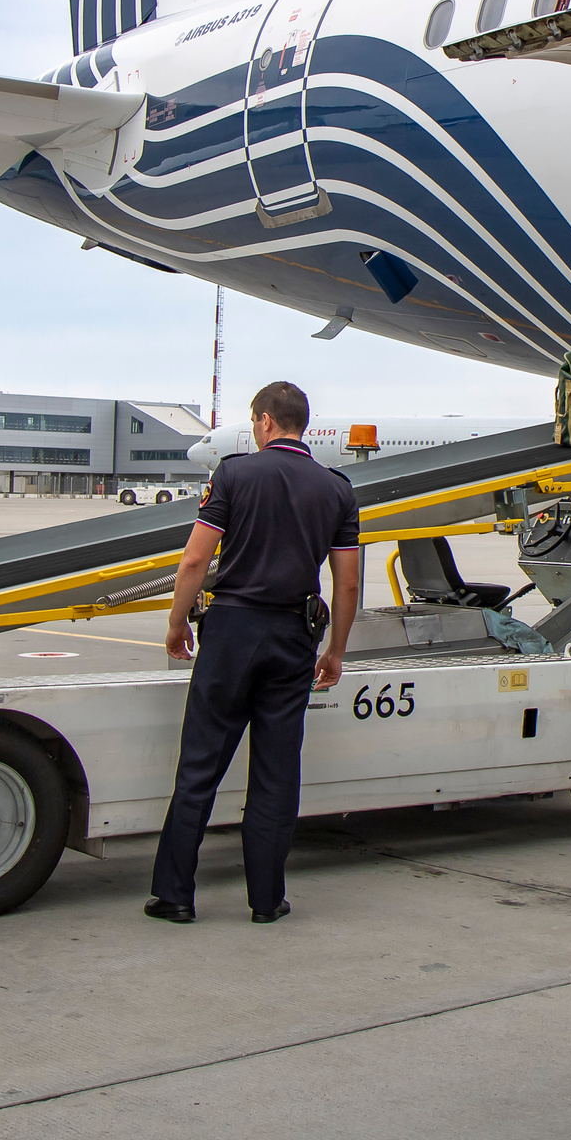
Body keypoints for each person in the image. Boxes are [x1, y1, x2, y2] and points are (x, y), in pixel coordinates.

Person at [148, 380, 361, 925]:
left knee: (200, 765)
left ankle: (174, 895)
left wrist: (177, 622)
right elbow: (348, 584)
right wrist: (334, 649)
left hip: (232, 631)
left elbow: (195, 561)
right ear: (301, 424)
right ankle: (266, 900)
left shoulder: (235, 474)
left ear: (266, 422)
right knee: (275, 771)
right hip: (293, 637)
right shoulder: (336, 489)